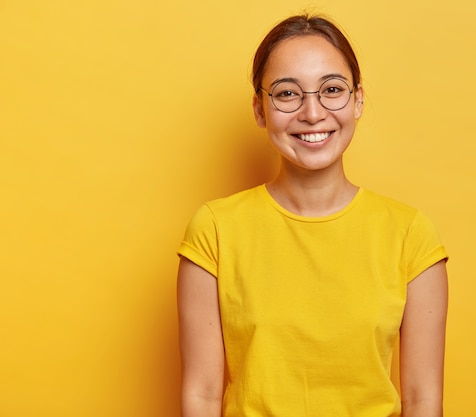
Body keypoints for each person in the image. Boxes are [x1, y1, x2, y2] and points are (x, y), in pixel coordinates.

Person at [177, 14, 449, 417]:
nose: (312, 112)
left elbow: (422, 399)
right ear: (259, 109)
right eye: (288, 94)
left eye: (331, 90)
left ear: (357, 100)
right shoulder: (215, 230)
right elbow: (201, 394)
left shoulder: (410, 234)